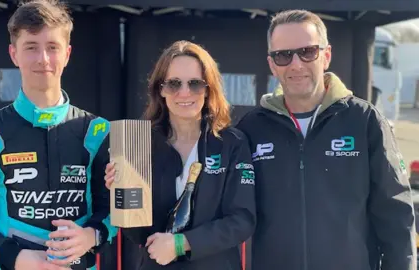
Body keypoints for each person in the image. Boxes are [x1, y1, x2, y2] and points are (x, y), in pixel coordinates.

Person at [236, 9, 417, 270]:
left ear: (326, 56)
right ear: (272, 65)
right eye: (284, 55)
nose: (296, 64)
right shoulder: (251, 128)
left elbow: (396, 216)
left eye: (307, 52)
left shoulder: (365, 121)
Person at [0, 1, 116, 269]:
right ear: (14, 54)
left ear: (67, 54)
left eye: (52, 48)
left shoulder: (99, 131)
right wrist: (14, 257)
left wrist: (92, 234)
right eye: (31, 47)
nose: (43, 59)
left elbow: (116, 208)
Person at [104, 40, 256, 269]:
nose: (184, 93)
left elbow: (241, 220)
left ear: (208, 89)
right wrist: (119, 195)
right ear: (161, 89)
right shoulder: (138, 144)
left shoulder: (232, 143)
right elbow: (138, 234)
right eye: (174, 84)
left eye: (195, 84)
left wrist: (182, 243)